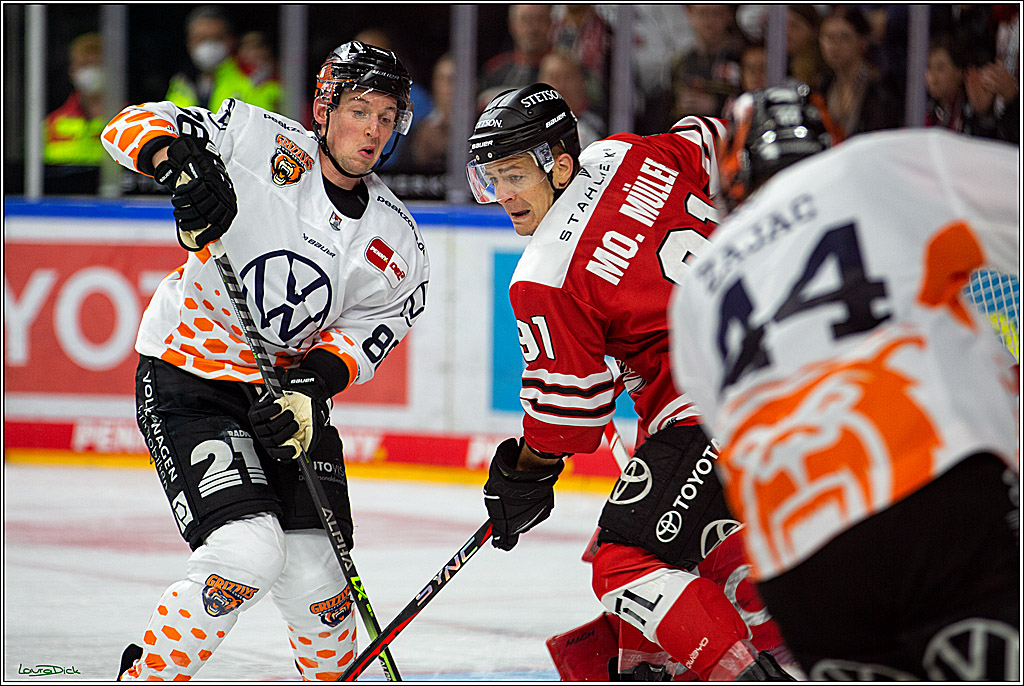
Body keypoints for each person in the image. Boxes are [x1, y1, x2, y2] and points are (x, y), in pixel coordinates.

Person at [103, 40, 429, 680]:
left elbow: (372, 326)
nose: (373, 130)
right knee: (247, 551)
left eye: (388, 117)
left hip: (284, 399)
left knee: (320, 579)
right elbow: (133, 124)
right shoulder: (257, 138)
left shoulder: (396, 236)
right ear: (326, 105)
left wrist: (314, 386)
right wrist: (180, 165)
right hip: (189, 373)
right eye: (360, 109)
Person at [669, 84, 1019, 680]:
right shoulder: (880, 164)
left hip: (799, 561)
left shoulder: (697, 289)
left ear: (733, 174)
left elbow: (729, 429)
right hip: (931, 484)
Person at [466, 83, 792, 681]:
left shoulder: (543, 275)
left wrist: (526, 473)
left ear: (559, 165)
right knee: (705, 541)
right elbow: (717, 141)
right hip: (796, 350)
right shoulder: (623, 154)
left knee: (625, 558)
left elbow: (569, 417)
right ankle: (780, 646)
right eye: (490, 178)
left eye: (513, 175)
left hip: (713, 400)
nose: (502, 195)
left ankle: (746, 672)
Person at [166, 5, 280, 113]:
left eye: (216, 38)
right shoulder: (181, 82)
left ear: (230, 40)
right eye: (201, 38)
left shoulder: (254, 78)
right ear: (189, 42)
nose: (208, 45)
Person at [817, 6, 900, 138]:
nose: (834, 46)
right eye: (828, 37)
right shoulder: (824, 85)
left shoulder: (879, 89)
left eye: (844, 37)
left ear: (862, 42)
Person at [43, 32, 108, 193]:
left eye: (97, 65)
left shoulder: (130, 119)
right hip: (61, 204)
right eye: (84, 64)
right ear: (72, 70)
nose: (91, 71)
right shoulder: (52, 124)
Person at [669, 5, 743, 120]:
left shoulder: (743, 58)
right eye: (702, 13)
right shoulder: (681, 63)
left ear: (729, 15)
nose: (709, 21)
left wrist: (717, 106)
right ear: (690, 15)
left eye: (716, 14)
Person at [478, 5, 553, 108]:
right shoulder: (495, 69)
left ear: (551, 23)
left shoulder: (564, 71)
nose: (533, 28)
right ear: (512, 25)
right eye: (525, 20)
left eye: (540, 19)